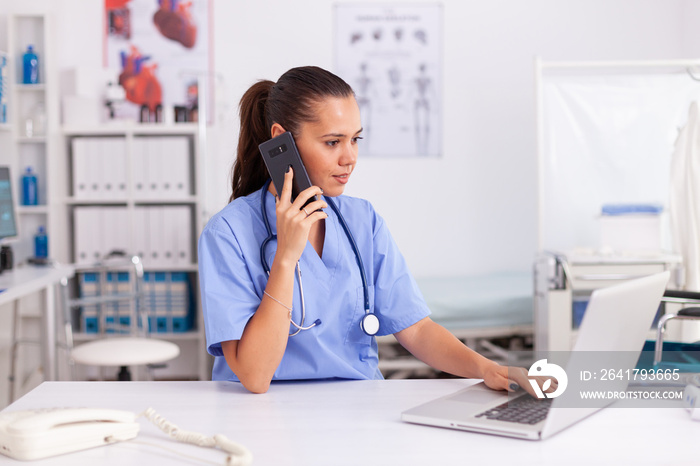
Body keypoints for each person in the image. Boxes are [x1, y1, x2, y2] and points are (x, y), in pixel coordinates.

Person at [199, 66, 548, 395]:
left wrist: (486, 368)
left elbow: (417, 329)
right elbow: (255, 376)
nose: (349, 157)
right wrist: (287, 258)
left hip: (359, 408)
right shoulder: (227, 233)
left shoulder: (361, 220)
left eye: (355, 139)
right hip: (264, 416)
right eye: (333, 142)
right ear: (282, 141)